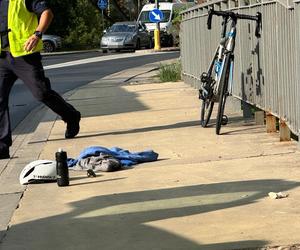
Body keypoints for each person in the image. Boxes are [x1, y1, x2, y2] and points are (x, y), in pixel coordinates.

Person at [0, 0, 81, 159]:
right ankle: (2, 147)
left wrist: (37, 34)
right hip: (2, 57)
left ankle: (71, 116)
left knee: (41, 93)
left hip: (25, 55)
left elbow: (47, 13)